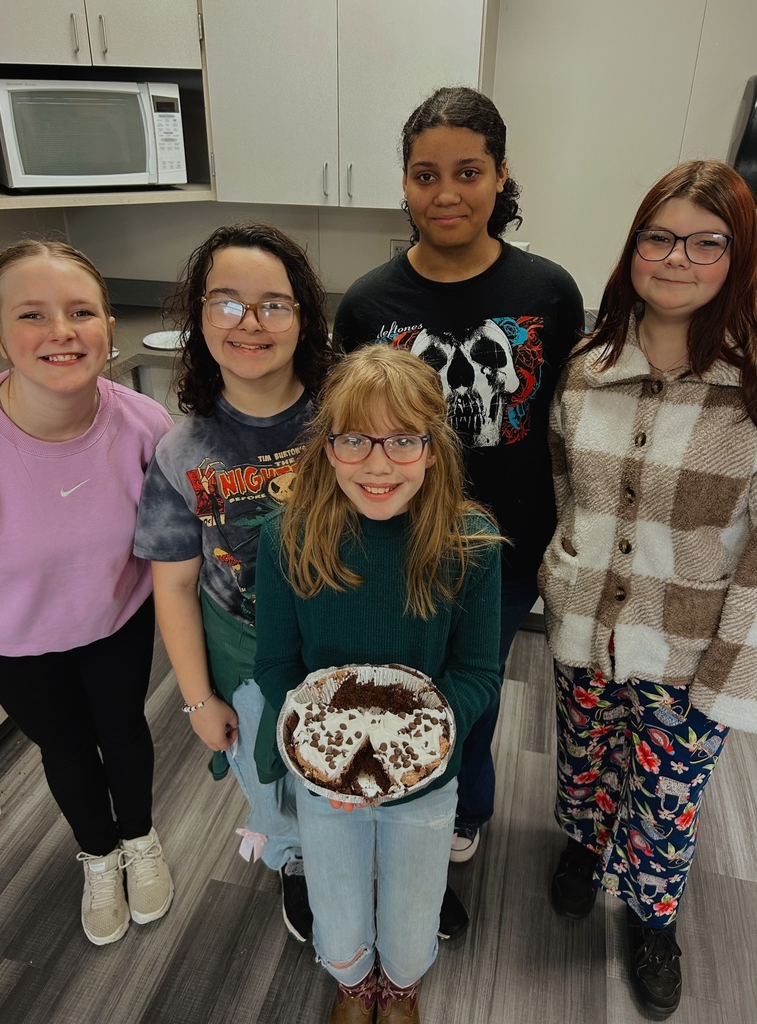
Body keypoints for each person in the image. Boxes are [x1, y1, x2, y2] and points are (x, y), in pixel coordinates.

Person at [333, 86, 583, 930]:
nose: (446, 193)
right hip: (393, 544)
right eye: (425, 174)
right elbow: (352, 432)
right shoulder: (369, 306)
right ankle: (386, 810)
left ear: (501, 175)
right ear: (403, 184)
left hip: (507, 551)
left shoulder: (548, 290)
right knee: (399, 686)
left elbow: (560, 422)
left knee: (471, 693)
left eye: (467, 172)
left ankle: (460, 814)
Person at [538, 159, 757, 1018]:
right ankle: (584, 848)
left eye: (708, 243)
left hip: (691, 641)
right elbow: (565, 487)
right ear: (633, 247)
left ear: (738, 259)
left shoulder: (749, 389)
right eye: (659, 237)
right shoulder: (589, 365)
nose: (678, 258)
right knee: (586, 758)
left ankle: (653, 916)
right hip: (586, 623)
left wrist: (729, 677)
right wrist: (564, 574)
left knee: (667, 796)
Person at [253, 345, 502, 1024]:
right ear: (328, 447)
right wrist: (336, 760)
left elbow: (478, 672)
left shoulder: (469, 541)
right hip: (325, 778)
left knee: (416, 898)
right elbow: (275, 666)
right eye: (356, 439)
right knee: (334, 894)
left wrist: (405, 752)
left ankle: (400, 981)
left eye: (402, 439)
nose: (379, 462)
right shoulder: (287, 537)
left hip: (426, 774)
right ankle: (354, 979)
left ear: (432, 448)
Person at [134, 223, 338, 944]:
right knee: (271, 779)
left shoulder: (347, 419)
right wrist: (196, 699)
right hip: (245, 658)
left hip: (347, 645)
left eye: (273, 305)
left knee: (346, 770)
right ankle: (295, 863)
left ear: (304, 319)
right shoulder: (182, 450)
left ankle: (355, 856)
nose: (249, 324)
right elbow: (175, 587)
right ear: (198, 318)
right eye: (226, 304)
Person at [0, 239, 174, 946]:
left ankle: (140, 840)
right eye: (32, 314)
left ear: (108, 328)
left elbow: (173, 545)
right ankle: (98, 856)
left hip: (114, 620)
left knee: (123, 733)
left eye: (81, 311)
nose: (61, 331)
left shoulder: (143, 427)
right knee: (64, 749)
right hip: (11, 637)